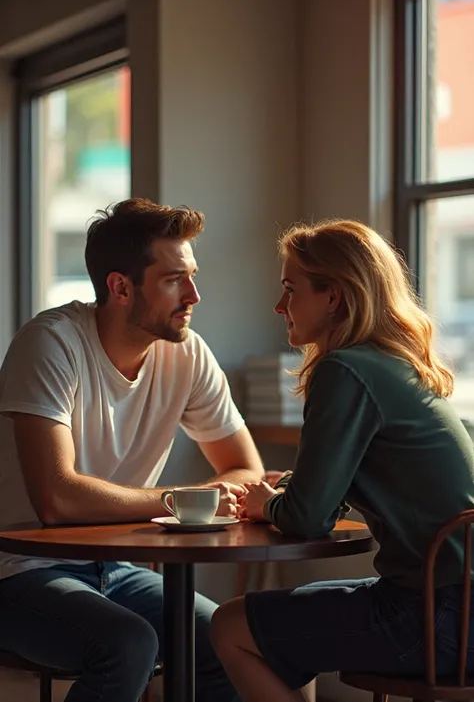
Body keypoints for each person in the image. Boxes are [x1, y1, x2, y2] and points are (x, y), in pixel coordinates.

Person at [0, 198, 266, 702]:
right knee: (129, 644)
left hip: (119, 569)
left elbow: (243, 468)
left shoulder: (187, 353)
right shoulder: (51, 343)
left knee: (229, 640)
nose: (194, 294)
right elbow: (58, 499)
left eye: (191, 276)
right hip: (19, 569)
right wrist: (179, 500)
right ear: (120, 287)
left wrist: (192, 498)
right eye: (173, 280)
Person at [210, 218, 474, 702]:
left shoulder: (344, 370)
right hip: (459, 612)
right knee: (280, 631)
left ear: (333, 296)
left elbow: (308, 518)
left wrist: (265, 505)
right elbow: (341, 484)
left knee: (229, 624)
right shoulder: (393, 365)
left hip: (438, 620)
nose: (279, 306)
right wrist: (288, 491)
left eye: (292, 290)